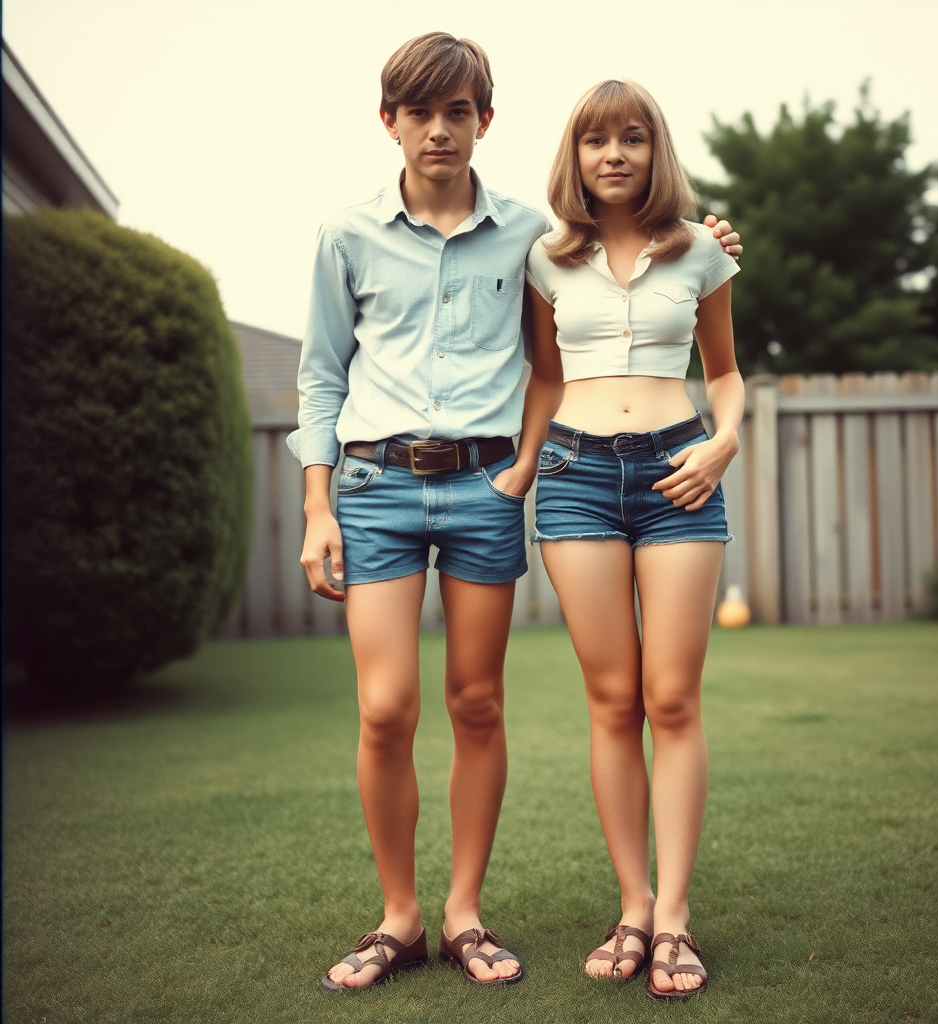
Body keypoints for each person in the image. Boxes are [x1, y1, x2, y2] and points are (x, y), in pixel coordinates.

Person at [288, 34, 742, 992]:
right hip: (373, 488)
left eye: (460, 112)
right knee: (384, 709)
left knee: (479, 702)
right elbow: (322, 376)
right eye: (421, 112)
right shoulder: (347, 236)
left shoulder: (537, 238)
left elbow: (621, 290)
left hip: (488, 487)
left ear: (486, 121)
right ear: (390, 122)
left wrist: (711, 246)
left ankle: (463, 916)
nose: (440, 129)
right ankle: (398, 919)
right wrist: (316, 503)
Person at [523, 79, 743, 1001]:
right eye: (595, 140)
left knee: (673, 698)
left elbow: (725, 374)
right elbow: (541, 378)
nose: (614, 154)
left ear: (658, 152)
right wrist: (521, 467)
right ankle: (634, 906)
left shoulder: (701, 253)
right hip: (574, 479)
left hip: (678, 476)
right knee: (613, 700)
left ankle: (679, 920)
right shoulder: (543, 258)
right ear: (573, 157)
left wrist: (724, 441)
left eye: (633, 138)